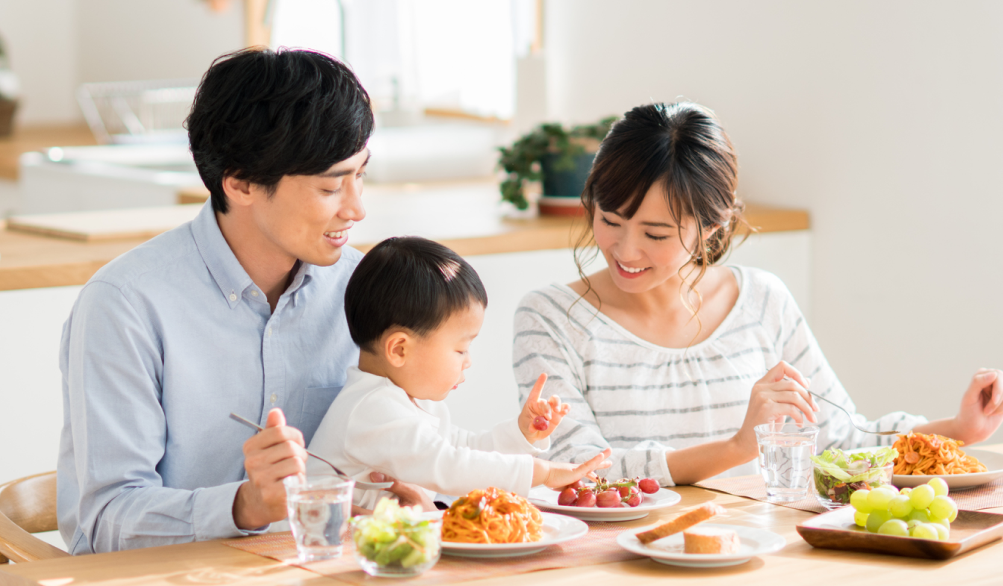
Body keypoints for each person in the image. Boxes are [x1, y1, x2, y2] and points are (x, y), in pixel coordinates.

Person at [511, 102, 1003, 485]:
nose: (625, 249)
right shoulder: (551, 317)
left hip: (761, 558)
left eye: (657, 234)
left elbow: (841, 438)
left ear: (711, 229)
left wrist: (957, 429)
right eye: (609, 220)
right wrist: (738, 446)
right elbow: (582, 470)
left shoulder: (760, 301)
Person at [56, 48, 420, 554]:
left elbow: (389, 455)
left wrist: (399, 493)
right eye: (330, 186)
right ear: (241, 183)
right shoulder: (125, 305)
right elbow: (105, 522)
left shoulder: (365, 288)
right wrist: (245, 506)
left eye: (360, 175)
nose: (356, 208)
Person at [309, 237, 611, 509]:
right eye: (460, 350)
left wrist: (520, 435)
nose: (468, 362)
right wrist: (542, 473)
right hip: (317, 547)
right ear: (399, 349)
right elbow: (449, 465)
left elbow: (463, 448)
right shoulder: (372, 408)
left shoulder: (411, 400)